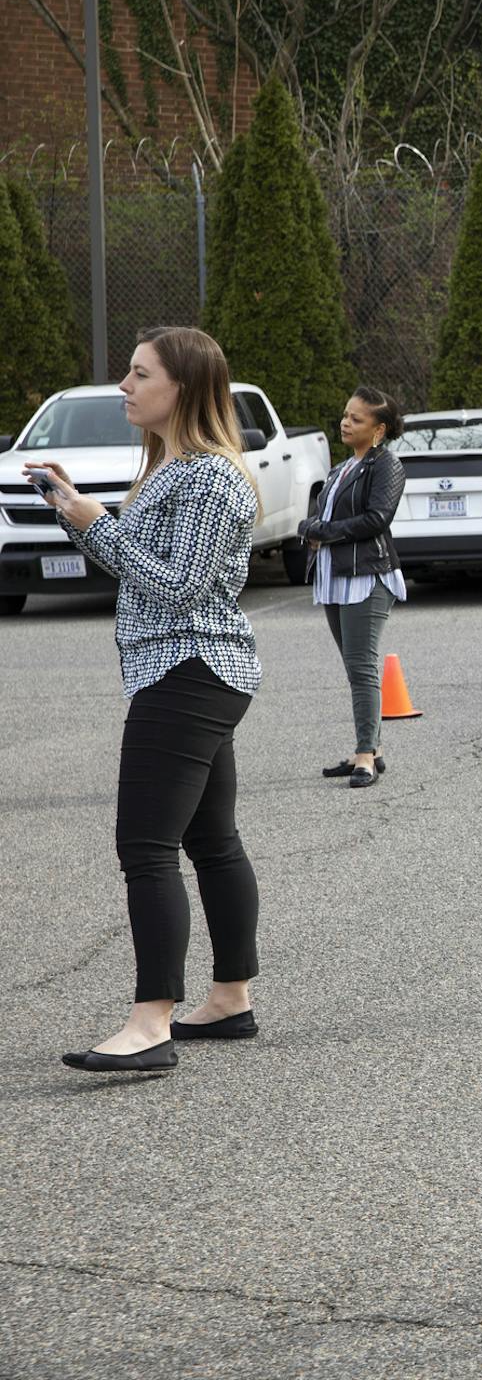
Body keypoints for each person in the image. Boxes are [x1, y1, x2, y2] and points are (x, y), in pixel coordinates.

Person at [25, 327, 265, 1072]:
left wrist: (100, 525)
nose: (124, 387)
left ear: (184, 388)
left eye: (138, 374)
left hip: (187, 670)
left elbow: (178, 587)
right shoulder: (174, 469)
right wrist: (78, 512)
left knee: (146, 847)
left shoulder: (209, 478)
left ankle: (149, 1024)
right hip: (190, 667)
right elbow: (146, 570)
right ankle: (229, 1000)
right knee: (210, 841)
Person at [299, 387, 408, 788]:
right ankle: (372, 748)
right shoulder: (341, 469)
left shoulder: (386, 466)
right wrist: (310, 529)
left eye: (356, 419)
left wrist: (322, 533)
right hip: (333, 577)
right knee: (353, 667)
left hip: (367, 577)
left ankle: (365, 754)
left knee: (362, 667)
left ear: (378, 430)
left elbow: (376, 519)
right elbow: (318, 517)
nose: (345, 422)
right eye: (345, 415)